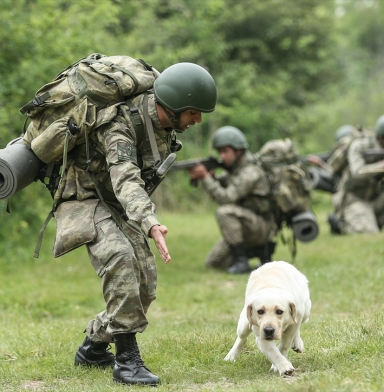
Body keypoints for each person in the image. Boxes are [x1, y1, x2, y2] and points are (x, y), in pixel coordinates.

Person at [50, 62, 218, 385]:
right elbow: (126, 178)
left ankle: (93, 348)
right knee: (121, 261)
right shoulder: (120, 124)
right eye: (194, 113)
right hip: (83, 197)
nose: (197, 121)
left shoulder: (164, 126)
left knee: (145, 286)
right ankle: (127, 362)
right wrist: (151, 223)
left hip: (116, 201)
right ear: (175, 105)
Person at [188, 126, 277, 274]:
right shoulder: (238, 169)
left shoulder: (251, 172)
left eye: (225, 151)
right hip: (248, 224)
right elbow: (225, 182)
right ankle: (260, 252)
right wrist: (211, 177)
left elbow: (226, 198)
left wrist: (205, 177)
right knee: (214, 262)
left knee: (224, 212)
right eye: (219, 152)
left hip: (262, 226)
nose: (221, 156)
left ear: (238, 150)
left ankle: (241, 261)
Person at [331, 113, 384, 234]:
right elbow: (358, 172)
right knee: (368, 233)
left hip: (375, 199)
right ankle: (341, 225)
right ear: (382, 136)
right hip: (355, 200)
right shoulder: (360, 146)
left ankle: (374, 223)